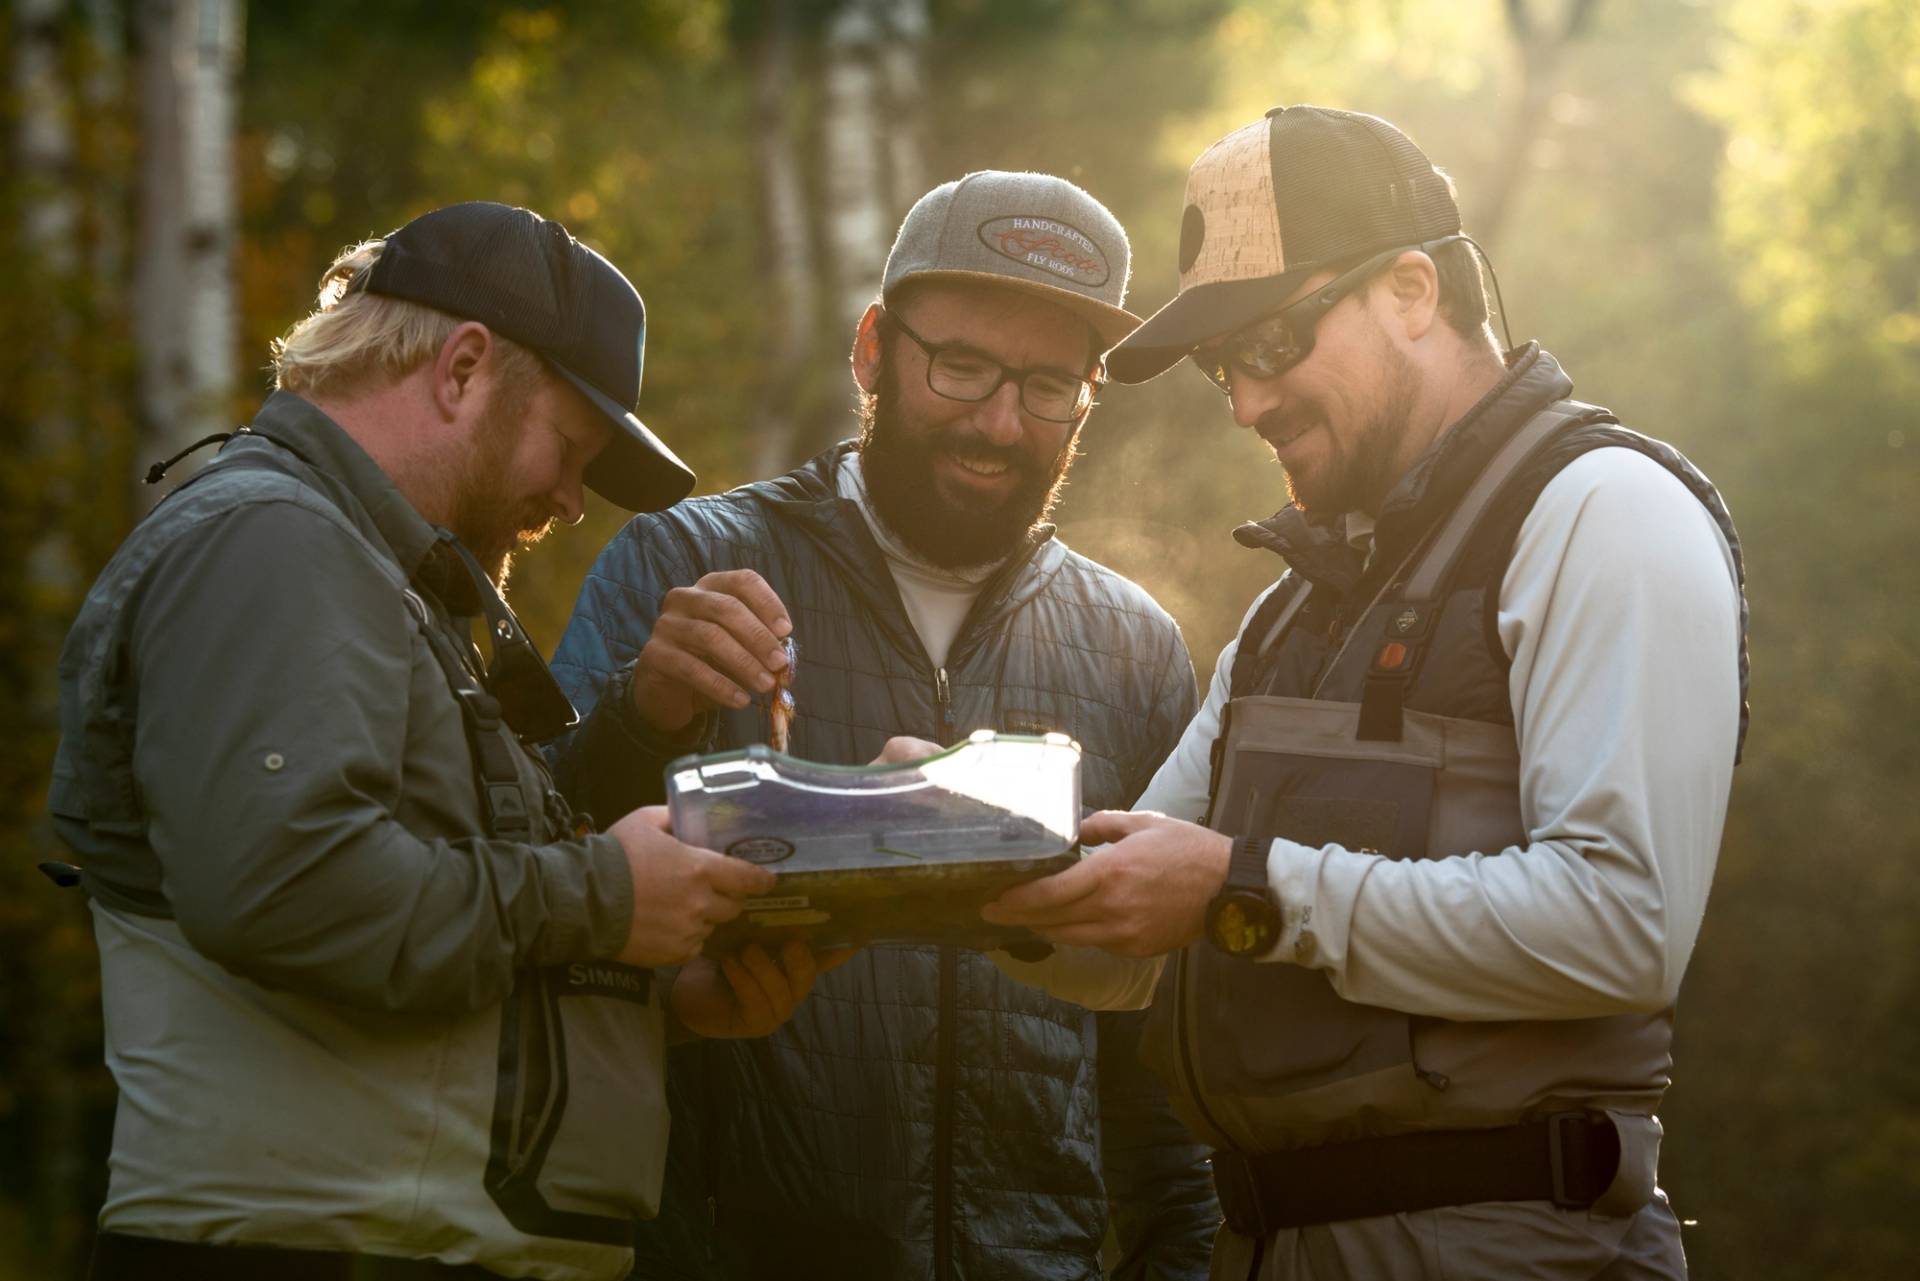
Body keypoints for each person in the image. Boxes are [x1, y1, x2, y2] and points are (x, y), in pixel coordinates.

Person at [977, 106, 1751, 1279]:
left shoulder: (1608, 514)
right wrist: (956, 858)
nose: (1246, 401)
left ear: (1410, 291)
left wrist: (1248, 887)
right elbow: (1130, 942)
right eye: (1220, 365)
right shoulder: (1287, 611)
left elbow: (1623, 930)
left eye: (1275, 340)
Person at [49, 202, 830, 1281]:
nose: (568, 499)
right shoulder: (274, 544)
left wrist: (658, 994)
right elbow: (286, 888)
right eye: (571, 447)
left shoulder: (359, 573)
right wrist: (606, 896)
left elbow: (435, 935)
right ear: (464, 367)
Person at [547, 172, 1219, 1279]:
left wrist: (1179, 1262)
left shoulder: (1135, 648)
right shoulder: (682, 563)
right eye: (961, 366)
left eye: (1051, 385)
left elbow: (1162, 1034)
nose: (1002, 423)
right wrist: (638, 715)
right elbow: (534, 877)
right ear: (873, 350)